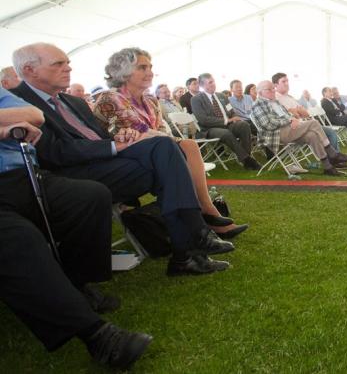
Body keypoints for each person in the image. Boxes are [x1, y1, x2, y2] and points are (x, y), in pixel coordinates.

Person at [11, 43, 233, 276]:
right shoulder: (19, 104)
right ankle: (193, 240)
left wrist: (119, 136)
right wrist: (111, 145)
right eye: (59, 64)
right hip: (70, 173)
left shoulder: (72, 101)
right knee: (167, 164)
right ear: (29, 70)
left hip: (105, 160)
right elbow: (53, 153)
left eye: (67, 62)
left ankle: (189, 248)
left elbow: (99, 135)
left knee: (165, 147)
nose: (68, 68)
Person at [0, 87, 152, 368]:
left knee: (90, 197)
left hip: (20, 174)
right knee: (18, 238)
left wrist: (15, 120)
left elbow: (34, 115)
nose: (66, 67)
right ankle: (96, 335)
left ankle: (77, 285)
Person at [93, 49, 248, 240]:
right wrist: (172, 142)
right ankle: (207, 213)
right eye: (142, 67)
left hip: (156, 151)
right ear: (122, 72)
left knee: (187, 145)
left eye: (150, 67)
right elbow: (137, 131)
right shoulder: (109, 98)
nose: (149, 71)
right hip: (124, 156)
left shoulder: (150, 99)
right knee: (186, 146)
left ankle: (206, 213)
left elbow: (160, 130)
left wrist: (171, 141)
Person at [251, 80, 347, 176]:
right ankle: (333, 154)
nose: (273, 90)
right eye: (269, 89)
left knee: (312, 135)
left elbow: (287, 115)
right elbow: (268, 124)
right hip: (276, 134)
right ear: (260, 93)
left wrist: (293, 119)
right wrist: (290, 120)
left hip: (289, 129)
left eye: (273, 88)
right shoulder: (258, 104)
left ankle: (328, 167)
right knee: (314, 123)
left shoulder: (275, 102)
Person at [191, 73, 261, 171]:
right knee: (225, 133)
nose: (213, 84)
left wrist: (234, 117)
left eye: (213, 81)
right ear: (202, 85)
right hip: (209, 129)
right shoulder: (196, 99)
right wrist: (226, 120)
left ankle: (246, 158)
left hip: (227, 125)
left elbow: (231, 111)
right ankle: (247, 160)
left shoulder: (222, 96)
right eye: (210, 82)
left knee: (244, 125)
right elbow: (203, 119)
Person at [272, 72, 341, 151]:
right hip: (295, 129)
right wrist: (297, 111)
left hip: (305, 124)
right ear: (275, 85)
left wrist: (297, 111)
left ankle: (335, 157)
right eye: (283, 81)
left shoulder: (290, 97)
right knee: (326, 132)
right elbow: (291, 115)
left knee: (330, 132)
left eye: (287, 81)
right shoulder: (276, 99)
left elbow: (306, 114)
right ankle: (334, 157)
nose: (287, 83)